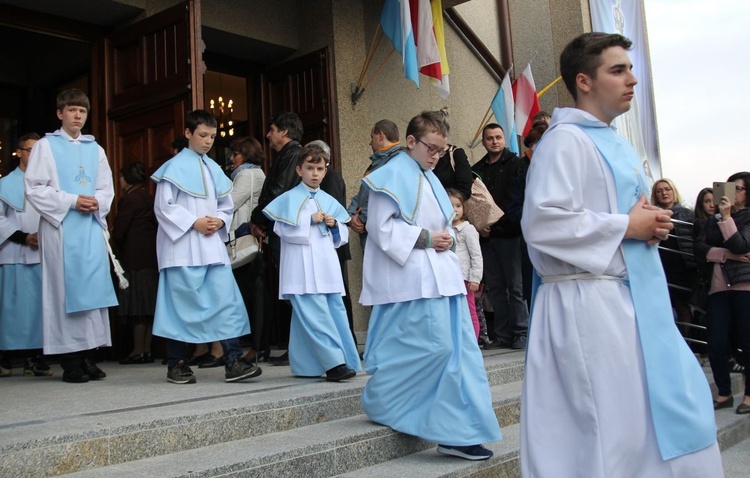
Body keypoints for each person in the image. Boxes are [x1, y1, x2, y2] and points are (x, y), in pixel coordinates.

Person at [520, 32, 722, 476]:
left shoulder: (611, 141)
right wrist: (626, 226)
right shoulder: (565, 141)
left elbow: (613, 215)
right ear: (584, 81)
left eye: (630, 69)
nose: (632, 79)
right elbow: (542, 223)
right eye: (618, 70)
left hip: (623, 300)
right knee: (606, 432)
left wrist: (647, 224)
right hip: (586, 305)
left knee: (639, 423)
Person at [359, 111, 502, 461]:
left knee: (458, 353)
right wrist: (426, 238)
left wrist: (448, 239)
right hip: (413, 282)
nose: (437, 155)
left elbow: (448, 225)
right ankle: (436, 424)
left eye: (441, 149)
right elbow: (380, 227)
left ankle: (458, 430)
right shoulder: (388, 176)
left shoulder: (432, 179)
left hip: (443, 280)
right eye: (431, 148)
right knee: (434, 352)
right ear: (411, 142)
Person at [151, 109, 261, 384]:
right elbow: (163, 208)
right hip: (182, 249)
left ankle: (233, 360)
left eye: (212, 136)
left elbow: (226, 204)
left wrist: (220, 221)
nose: (208, 141)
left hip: (211, 248)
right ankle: (177, 363)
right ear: (188, 133)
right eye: (202, 135)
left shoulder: (214, 168)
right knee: (180, 306)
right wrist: (193, 222)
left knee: (225, 302)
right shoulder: (173, 168)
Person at [25, 89, 117, 383]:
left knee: (92, 292)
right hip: (61, 229)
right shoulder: (45, 146)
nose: (78, 116)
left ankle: (89, 354)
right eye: (72, 110)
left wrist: (98, 203)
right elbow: (35, 187)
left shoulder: (96, 149)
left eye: (82, 111)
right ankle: (70, 360)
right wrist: (71, 201)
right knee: (64, 291)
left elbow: (107, 188)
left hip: (89, 228)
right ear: (60, 114)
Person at [262, 144, 360, 381]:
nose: (314, 173)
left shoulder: (329, 200)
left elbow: (342, 238)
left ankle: (314, 364)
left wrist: (335, 225)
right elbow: (282, 230)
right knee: (314, 315)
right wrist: (309, 220)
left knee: (332, 312)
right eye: (309, 168)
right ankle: (334, 364)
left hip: (326, 268)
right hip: (301, 269)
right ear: (299, 170)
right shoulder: (287, 200)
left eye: (319, 168)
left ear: (325, 171)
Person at [250, 112, 304, 365]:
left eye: (272, 129)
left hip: (288, 230)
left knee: (294, 287)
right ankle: (298, 346)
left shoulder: (292, 154)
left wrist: (256, 218)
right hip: (283, 229)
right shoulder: (289, 155)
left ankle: (300, 348)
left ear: (284, 132)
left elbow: (277, 192)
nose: (268, 135)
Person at [694, 172, 750, 415]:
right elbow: (699, 249)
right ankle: (724, 393)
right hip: (717, 288)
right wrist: (726, 255)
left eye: (738, 189)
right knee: (715, 343)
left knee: (747, 344)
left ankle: (748, 396)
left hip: (744, 287)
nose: (732, 193)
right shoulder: (711, 220)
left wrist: (727, 219)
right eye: (730, 188)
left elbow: (741, 245)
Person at [0, 132, 53, 378]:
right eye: (30, 150)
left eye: (37, 150)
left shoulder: (49, 184)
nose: (33, 155)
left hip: (43, 253)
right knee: (12, 309)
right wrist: (23, 237)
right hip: (14, 253)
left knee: (39, 309)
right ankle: (6, 358)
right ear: (19, 152)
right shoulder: (5, 184)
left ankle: (36, 357)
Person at [471, 123, 528, 350]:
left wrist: (498, 222)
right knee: (495, 287)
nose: (494, 141)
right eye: (489, 138)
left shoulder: (516, 165)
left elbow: (517, 201)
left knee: (515, 287)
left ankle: (521, 332)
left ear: (505, 139)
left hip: (511, 235)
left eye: (498, 137)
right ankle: (503, 335)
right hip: (487, 237)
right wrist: (480, 225)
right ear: (484, 142)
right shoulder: (478, 169)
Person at [227, 136, 268, 363]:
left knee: (253, 296)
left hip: (244, 241)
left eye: (236, 154)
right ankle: (258, 345)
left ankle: (257, 346)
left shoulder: (246, 174)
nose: (232, 158)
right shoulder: (257, 173)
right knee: (255, 294)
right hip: (252, 241)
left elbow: (228, 204)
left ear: (246, 154)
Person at [113, 162, 158, 364]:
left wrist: (115, 248)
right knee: (148, 306)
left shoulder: (130, 199)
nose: (119, 180)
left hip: (134, 257)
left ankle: (138, 350)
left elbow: (120, 230)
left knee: (138, 306)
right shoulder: (148, 197)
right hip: (151, 257)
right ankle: (146, 350)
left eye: (121, 176)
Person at [347, 120, 402, 251]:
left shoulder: (398, 160)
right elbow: (362, 195)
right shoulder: (377, 162)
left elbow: (386, 196)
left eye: (372, 137)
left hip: (383, 233)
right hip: (370, 231)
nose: (370, 142)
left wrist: (362, 219)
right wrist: (350, 216)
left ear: (381, 136)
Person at [651, 178, 697, 336]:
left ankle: (688, 346)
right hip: (661, 267)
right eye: (659, 190)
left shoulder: (687, 214)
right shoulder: (651, 214)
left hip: (684, 268)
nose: (664, 193)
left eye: (667, 189)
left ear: (674, 191)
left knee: (685, 308)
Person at [447, 188, 482, 339]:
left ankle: (473, 341)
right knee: (451, 310)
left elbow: (476, 255)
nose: (454, 210)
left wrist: (475, 278)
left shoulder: (468, 229)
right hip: (448, 278)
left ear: (463, 208)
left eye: (458, 206)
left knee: (469, 310)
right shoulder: (444, 229)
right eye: (450, 206)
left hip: (464, 278)